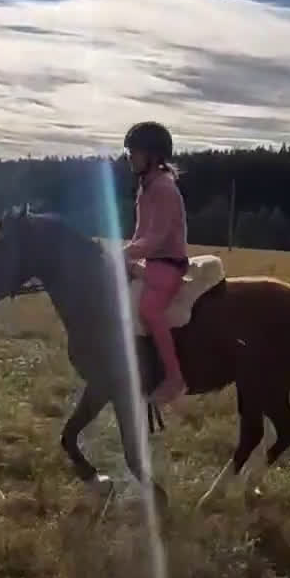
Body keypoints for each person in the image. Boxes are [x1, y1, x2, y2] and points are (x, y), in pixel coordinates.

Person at [122, 119, 189, 407]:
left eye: (134, 152)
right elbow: (140, 234)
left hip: (168, 263)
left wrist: (124, 254)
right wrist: (124, 254)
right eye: (129, 152)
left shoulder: (163, 189)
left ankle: (174, 378)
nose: (130, 157)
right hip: (151, 261)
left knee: (149, 309)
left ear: (153, 155)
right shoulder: (145, 188)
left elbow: (157, 238)